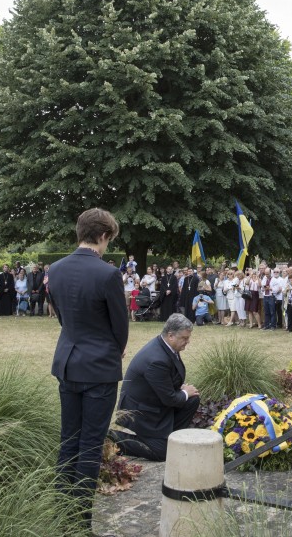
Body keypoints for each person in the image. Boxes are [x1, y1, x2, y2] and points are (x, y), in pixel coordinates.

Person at [49, 208, 129, 515]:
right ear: (104, 236)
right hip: (98, 367)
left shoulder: (55, 268)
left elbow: (61, 315)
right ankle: (80, 521)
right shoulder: (108, 273)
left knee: (69, 440)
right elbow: (119, 325)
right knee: (91, 445)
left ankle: (60, 513)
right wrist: (116, 348)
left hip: (68, 361)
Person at [113, 314, 200, 461]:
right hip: (141, 412)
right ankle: (114, 438)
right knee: (162, 453)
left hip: (155, 403)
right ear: (171, 335)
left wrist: (183, 392)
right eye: (184, 338)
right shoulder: (156, 359)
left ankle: (170, 439)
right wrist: (184, 392)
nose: (188, 342)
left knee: (192, 400)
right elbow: (169, 399)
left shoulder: (165, 346)